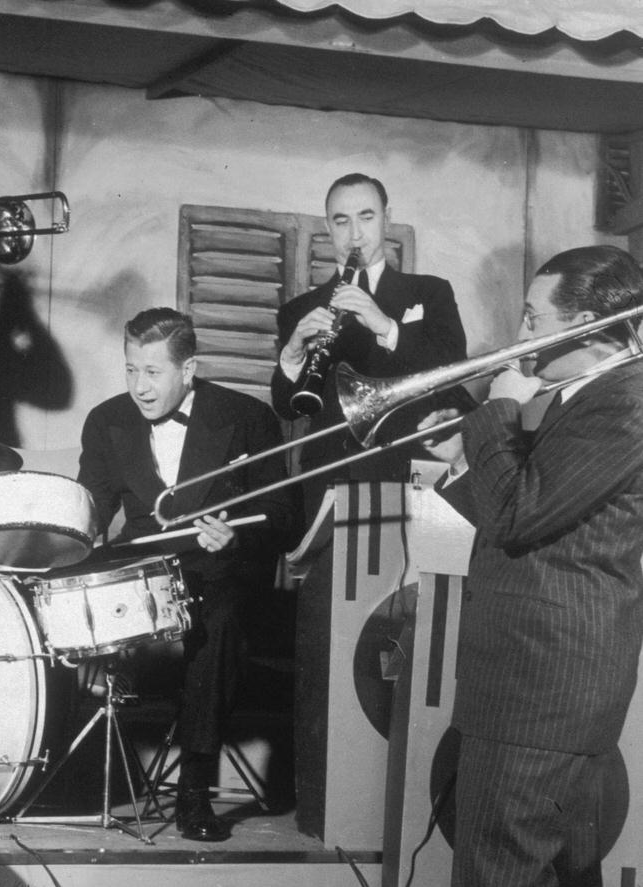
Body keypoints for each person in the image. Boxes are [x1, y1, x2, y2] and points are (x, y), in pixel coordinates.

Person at [419, 245, 643, 885]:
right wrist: (463, 456)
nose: (518, 335)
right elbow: (530, 515)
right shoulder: (589, 396)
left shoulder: (626, 401)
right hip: (543, 687)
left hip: (540, 692)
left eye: (532, 317)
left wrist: (496, 413)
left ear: (586, 327)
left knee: (496, 872)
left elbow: (519, 514)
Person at [77, 308, 300, 842]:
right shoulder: (106, 419)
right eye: (131, 369)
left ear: (189, 368)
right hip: (141, 566)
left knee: (219, 619)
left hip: (218, 568)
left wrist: (237, 537)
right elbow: (91, 511)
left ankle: (194, 786)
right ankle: (74, 772)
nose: (140, 387)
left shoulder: (247, 416)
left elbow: (284, 515)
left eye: (153, 372)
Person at [271, 173, 467, 509]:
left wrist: (387, 328)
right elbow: (288, 408)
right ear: (328, 226)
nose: (355, 235)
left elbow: (453, 367)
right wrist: (292, 354)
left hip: (411, 467)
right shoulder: (299, 311)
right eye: (342, 221)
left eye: (366, 217)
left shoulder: (431, 291)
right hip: (332, 473)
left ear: (386, 220)